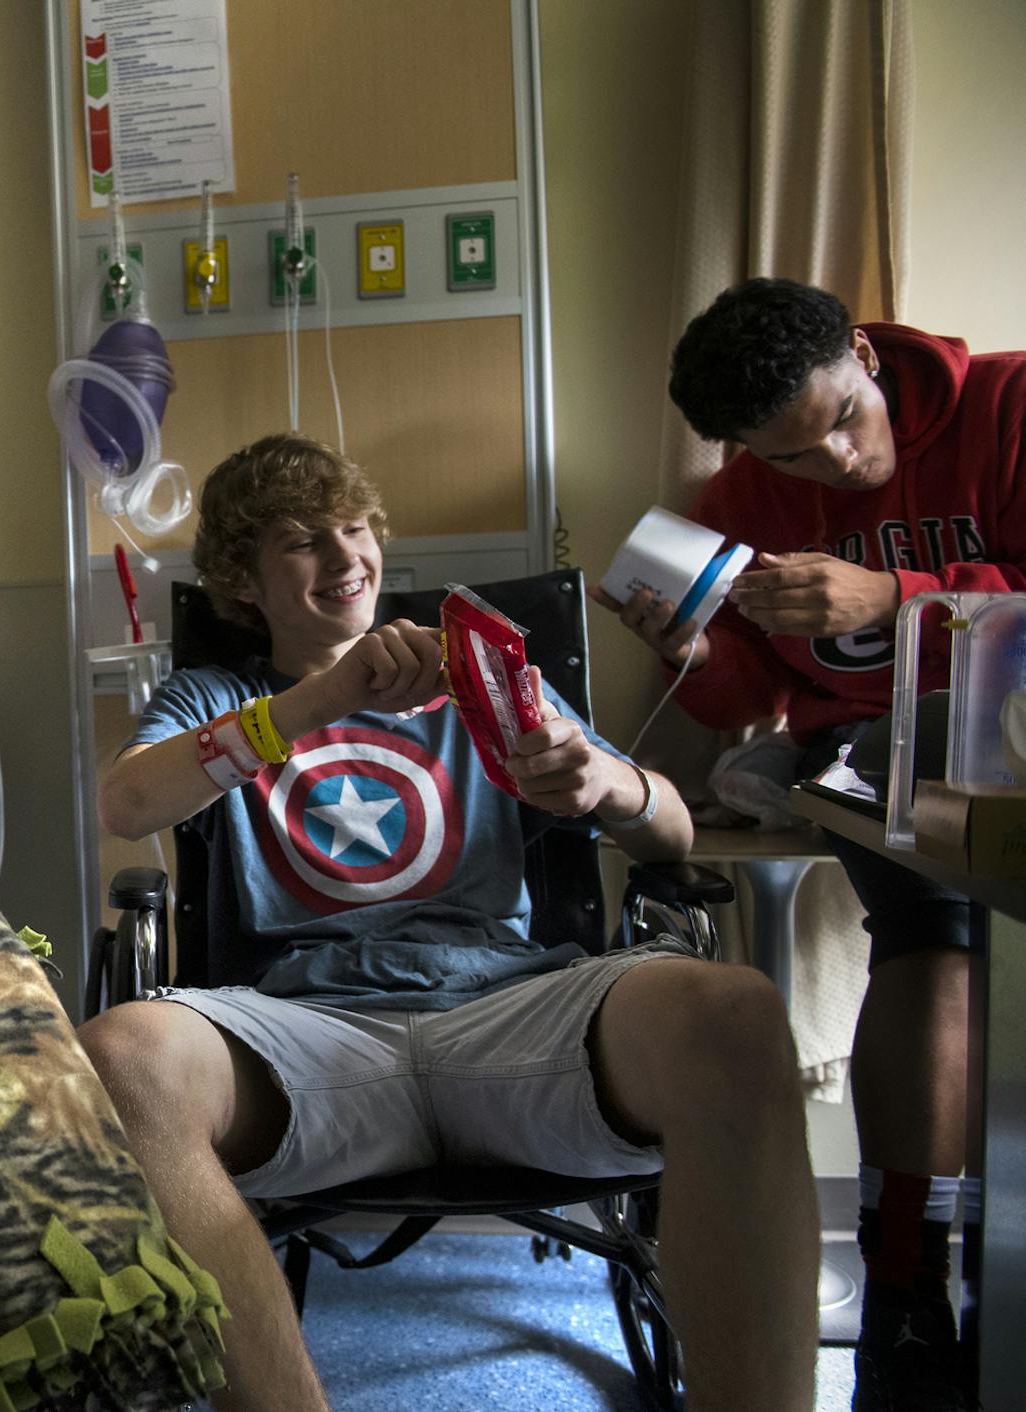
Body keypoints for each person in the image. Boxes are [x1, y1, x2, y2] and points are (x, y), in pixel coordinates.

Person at [80, 433, 819, 1412]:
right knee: (119, 1053)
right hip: (309, 1032)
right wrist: (322, 698)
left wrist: (610, 780)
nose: (347, 559)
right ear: (241, 579)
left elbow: (672, 834)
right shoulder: (221, 698)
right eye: (305, 541)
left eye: (355, 530)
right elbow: (129, 803)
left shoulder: (485, 675)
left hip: (508, 1010)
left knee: (734, 1011)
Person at [598, 275, 1023, 1411]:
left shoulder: (1006, 405)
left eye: (844, 417)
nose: (834, 462)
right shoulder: (735, 501)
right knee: (935, 929)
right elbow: (760, 697)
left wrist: (897, 594)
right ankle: (909, 1278)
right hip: (868, 757)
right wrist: (695, 653)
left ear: (866, 356)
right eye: (793, 457)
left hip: (1013, 728)